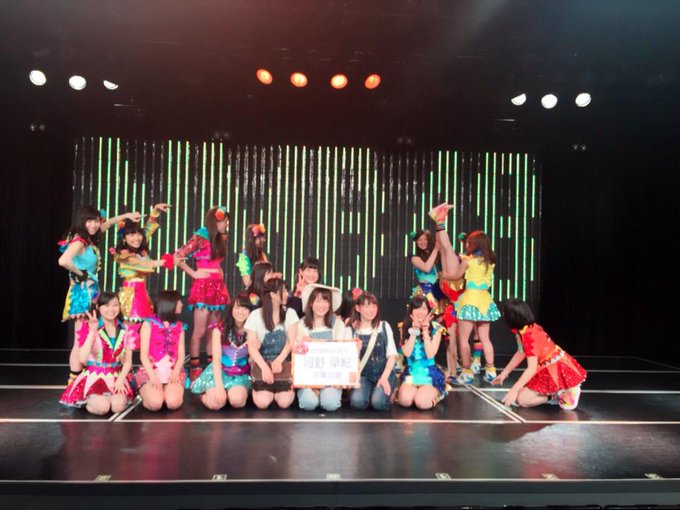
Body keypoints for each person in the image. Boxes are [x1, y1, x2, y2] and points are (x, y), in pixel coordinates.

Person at [58, 205, 140, 381]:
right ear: (82, 221)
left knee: (87, 335)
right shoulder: (80, 241)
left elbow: (108, 224)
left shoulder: (89, 237)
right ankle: (74, 381)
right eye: (89, 221)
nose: (94, 225)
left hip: (91, 291)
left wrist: (127, 215)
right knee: (80, 339)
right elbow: (63, 260)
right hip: (82, 293)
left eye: (96, 221)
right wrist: (81, 274)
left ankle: (80, 378)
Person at [491, 298, 587, 410]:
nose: (503, 315)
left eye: (504, 313)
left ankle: (562, 392)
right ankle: (556, 392)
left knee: (522, 400)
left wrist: (514, 390)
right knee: (518, 397)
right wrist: (504, 373)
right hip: (543, 367)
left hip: (554, 367)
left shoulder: (530, 336)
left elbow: (531, 368)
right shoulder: (522, 330)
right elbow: (521, 352)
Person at [174, 206, 230, 380]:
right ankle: (195, 370)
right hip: (203, 287)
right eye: (225, 221)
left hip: (217, 287)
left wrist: (219, 272)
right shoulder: (200, 236)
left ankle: (213, 370)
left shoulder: (220, 238)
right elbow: (177, 256)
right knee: (199, 331)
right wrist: (194, 273)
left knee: (213, 331)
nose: (227, 224)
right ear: (216, 221)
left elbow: (216, 262)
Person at [60, 292, 134, 415]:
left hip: (115, 376)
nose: (111, 309)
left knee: (118, 406)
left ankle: (106, 399)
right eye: (107, 305)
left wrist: (120, 380)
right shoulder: (91, 326)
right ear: (99, 307)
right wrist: (92, 332)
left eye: (115, 305)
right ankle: (86, 401)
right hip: (93, 377)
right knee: (103, 407)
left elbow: (127, 362)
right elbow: (82, 359)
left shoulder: (124, 329)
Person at [111, 203, 174, 349]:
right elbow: (142, 264)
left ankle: (142, 361)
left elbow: (147, 229)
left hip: (142, 292)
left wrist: (155, 210)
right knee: (130, 331)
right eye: (131, 235)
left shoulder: (140, 250)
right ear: (124, 238)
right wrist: (166, 261)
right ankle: (125, 362)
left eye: (138, 234)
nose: (137, 238)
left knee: (145, 331)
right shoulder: (123, 255)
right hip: (130, 294)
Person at [443, 229, 501, 385]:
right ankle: (491, 371)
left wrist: (444, 275)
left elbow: (456, 276)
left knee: (463, 339)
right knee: (485, 338)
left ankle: (467, 372)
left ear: (474, 244)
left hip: (470, 300)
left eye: (469, 242)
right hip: (485, 300)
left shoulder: (468, 261)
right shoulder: (490, 262)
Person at [192, 291, 254, 410]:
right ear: (231, 309)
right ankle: (204, 396)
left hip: (240, 374)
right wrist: (219, 387)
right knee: (216, 404)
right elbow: (216, 360)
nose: (240, 312)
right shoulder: (219, 329)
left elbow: (253, 357)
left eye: (245, 308)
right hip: (219, 372)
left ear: (250, 311)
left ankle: (233, 394)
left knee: (237, 401)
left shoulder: (252, 330)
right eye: (237, 307)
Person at [295, 284, 352, 412]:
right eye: (318, 301)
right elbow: (297, 356)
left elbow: (344, 353)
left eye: (325, 301)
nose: (322, 305)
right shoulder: (302, 324)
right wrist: (302, 346)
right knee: (308, 403)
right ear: (311, 303)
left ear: (330, 304)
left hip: (332, 377)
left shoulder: (338, 324)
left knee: (330, 404)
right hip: (309, 378)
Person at [245, 278, 298, 409]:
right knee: (262, 402)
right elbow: (251, 347)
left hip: (284, 363)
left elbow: (291, 342)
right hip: (261, 363)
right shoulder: (255, 315)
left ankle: (280, 391)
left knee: (284, 402)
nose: (287, 294)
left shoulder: (290, 313)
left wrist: (279, 361)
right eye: (283, 291)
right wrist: (264, 368)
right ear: (273, 294)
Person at [133, 291, 186, 411]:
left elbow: (181, 354)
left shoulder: (180, 326)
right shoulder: (148, 324)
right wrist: (152, 377)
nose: (182, 304)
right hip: (151, 371)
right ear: (170, 303)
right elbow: (143, 355)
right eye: (179, 301)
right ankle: (147, 392)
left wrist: (175, 372)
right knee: (155, 403)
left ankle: (168, 392)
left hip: (172, 372)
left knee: (172, 403)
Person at [348, 291, 398, 411]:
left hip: (383, 373)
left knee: (378, 403)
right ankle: (371, 393)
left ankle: (385, 393)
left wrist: (384, 378)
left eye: (374, 306)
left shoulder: (384, 326)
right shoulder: (352, 330)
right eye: (367, 306)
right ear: (358, 308)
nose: (371, 310)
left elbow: (392, 356)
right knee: (357, 402)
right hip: (363, 375)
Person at [398, 296, 448, 409]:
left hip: (429, 375)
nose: (420, 312)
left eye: (424, 308)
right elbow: (407, 353)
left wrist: (425, 331)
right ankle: (415, 393)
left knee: (421, 403)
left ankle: (436, 395)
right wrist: (414, 331)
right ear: (411, 311)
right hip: (411, 374)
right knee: (405, 401)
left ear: (429, 311)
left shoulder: (436, 328)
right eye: (417, 308)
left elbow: (430, 354)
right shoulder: (404, 326)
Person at [236, 223, 269, 288]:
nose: (264, 240)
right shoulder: (244, 257)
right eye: (262, 237)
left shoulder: (262, 255)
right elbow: (248, 282)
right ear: (253, 238)